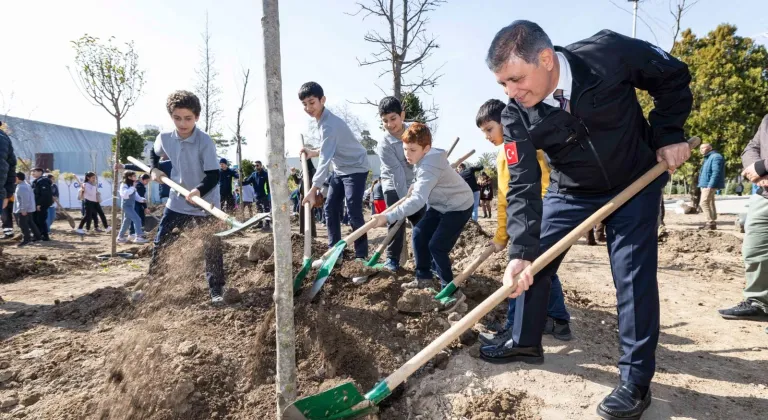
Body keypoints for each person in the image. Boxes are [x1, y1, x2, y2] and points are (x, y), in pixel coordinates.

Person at [478, 21, 692, 420]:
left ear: (545, 59)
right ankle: (525, 340)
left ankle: (635, 381)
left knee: (632, 276)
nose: (511, 92)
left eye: (516, 79)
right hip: (571, 190)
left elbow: (673, 75)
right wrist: (520, 252)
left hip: (635, 179)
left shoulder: (607, 54)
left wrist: (669, 133)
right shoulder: (514, 116)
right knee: (534, 261)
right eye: (503, 84)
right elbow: (523, 185)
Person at [475, 98, 572, 344]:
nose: (487, 136)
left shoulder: (519, 148)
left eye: (490, 129)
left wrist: (507, 234)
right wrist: (500, 236)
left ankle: (512, 328)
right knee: (542, 268)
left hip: (534, 217)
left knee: (519, 270)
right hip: (538, 214)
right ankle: (558, 321)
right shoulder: (514, 149)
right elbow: (507, 199)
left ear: (506, 121)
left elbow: (519, 195)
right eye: (483, 132)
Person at [372, 122, 474, 289]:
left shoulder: (429, 165)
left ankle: (449, 289)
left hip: (458, 206)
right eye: (405, 149)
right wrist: (415, 183)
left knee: (437, 246)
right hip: (440, 204)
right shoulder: (423, 158)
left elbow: (418, 201)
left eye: (412, 150)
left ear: (426, 148)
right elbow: (422, 177)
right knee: (419, 233)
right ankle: (423, 278)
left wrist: (387, 216)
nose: (407, 154)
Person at [149, 90, 225, 305]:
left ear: (197, 117)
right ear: (171, 116)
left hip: (206, 202)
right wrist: (154, 169)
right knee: (161, 242)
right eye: (177, 118)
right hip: (177, 201)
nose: (182, 123)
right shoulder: (164, 137)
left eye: (188, 118)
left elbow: (213, 174)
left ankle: (216, 290)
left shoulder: (205, 141)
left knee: (212, 246)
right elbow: (154, 153)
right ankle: (153, 286)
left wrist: (198, 191)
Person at [299, 82, 370, 260]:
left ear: (322, 100)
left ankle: (361, 256)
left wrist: (313, 189)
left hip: (355, 168)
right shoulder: (322, 120)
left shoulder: (329, 125)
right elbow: (328, 148)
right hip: (340, 169)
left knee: (353, 210)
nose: (308, 108)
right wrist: (313, 152)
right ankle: (335, 251)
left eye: (312, 102)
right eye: (304, 104)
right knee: (330, 207)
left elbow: (325, 159)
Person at [720, 115, 768, 321]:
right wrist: (755, 170)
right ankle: (758, 302)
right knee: (754, 250)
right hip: (764, 192)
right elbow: (751, 147)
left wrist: (761, 167)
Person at [375, 96, 423, 270]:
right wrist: (406, 202)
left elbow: (424, 159)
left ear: (402, 115)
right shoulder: (384, 144)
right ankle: (392, 260)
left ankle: (425, 262)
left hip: (415, 182)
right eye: (385, 121)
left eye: (393, 118)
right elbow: (397, 173)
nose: (390, 124)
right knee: (395, 221)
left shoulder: (416, 131)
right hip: (393, 183)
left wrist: (418, 188)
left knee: (421, 222)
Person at [698, 143, 725, 230]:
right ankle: (712, 222)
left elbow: (716, 172)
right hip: (705, 184)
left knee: (703, 202)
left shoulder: (716, 157)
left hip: (709, 185)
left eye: (703, 148)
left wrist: (711, 185)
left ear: (710, 148)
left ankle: (710, 222)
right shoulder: (708, 158)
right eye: (700, 148)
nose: (701, 150)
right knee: (710, 202)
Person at [116, 170, 148, 244]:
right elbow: (124, 194)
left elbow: (136, 196)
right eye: (134, 176)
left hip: (131, 205)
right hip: (126, 206)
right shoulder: (124, 185)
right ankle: (139, 237)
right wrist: (133, 188)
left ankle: (120, 237)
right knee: (137, 219)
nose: (135, 178)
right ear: (129, 177)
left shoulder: (131, 186)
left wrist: (142, 200)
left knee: (127, 222)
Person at [13, 172, 40, 246]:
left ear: (17, 178)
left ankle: (26, 239)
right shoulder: (25, 185)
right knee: (31, 223)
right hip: (29, 209)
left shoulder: (22, 187)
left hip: (24, 210)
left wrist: (23, 210)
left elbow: (25, 200)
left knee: (23, 224)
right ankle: (37, 236)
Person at [242, 160, 271, 229]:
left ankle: (267, 224)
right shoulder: (253, 174)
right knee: (259, 210)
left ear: (261, 165)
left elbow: (268, 185)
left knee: (266, 210)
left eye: (257, 165)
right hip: (257, 196)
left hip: (264, 195)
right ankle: (260, 223)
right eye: (255, 166)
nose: (256, 167)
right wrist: (241, 182)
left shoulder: (265, 174)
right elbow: (247, 182)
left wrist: (269, 194)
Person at [30, 167, 53, 241]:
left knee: (40, 220)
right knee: (36, 220)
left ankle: (45, 236)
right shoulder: (36, 181)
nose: (33, 173)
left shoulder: (43, 181)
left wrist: (39, 204)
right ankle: (38, 235)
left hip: (41, 204)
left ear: (40, 172)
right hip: (36, 204)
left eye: (35, 171)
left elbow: (45, 195)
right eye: (32, 171)